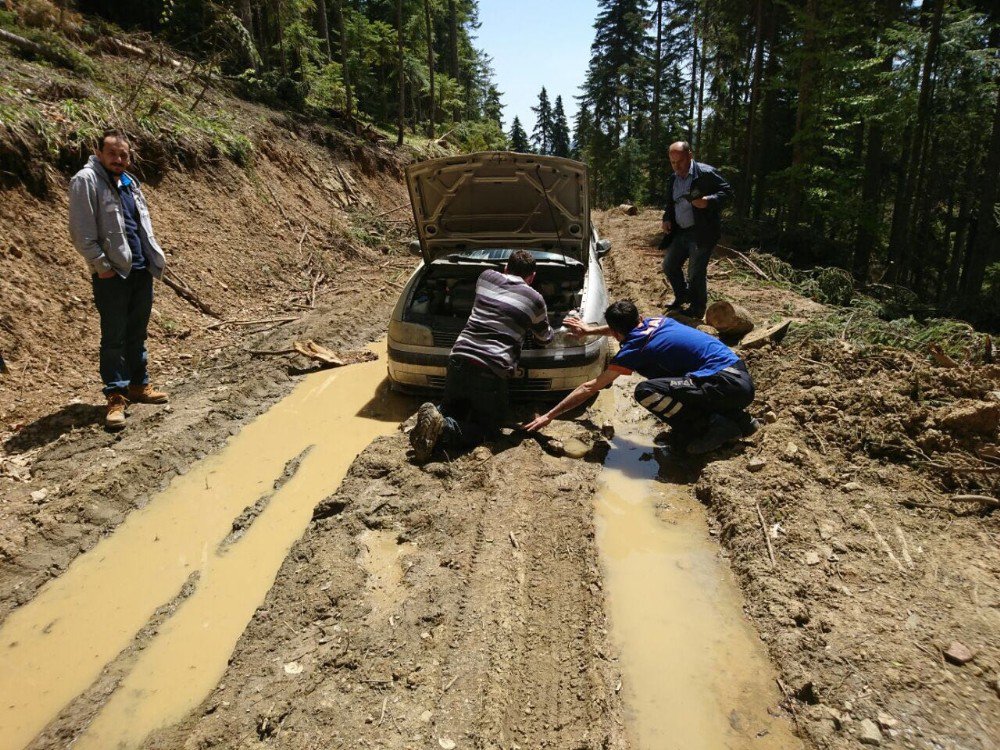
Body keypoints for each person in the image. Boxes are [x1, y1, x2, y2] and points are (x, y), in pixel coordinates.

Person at [524, 300, 758, 455]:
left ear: (616, 332)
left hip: (725, 384)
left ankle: (710, 427)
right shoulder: (657, 321)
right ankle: (737, 419)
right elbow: (624, 330)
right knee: (665, 375)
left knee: (646, 390)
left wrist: (549, 415)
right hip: (737, 376)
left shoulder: (633, 350)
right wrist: (590, 330)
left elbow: (591, 387)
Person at [409, 249, 553, 461]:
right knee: (490, 431)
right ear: (531, 277)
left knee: (452, 408)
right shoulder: (536, 299)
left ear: (505, 268)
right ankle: (443, 429)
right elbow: (545, 339)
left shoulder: (486, 277)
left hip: (458, 356)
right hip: (491, 369)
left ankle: (434, 419)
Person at [69, 129, 169, 430]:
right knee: (114, 336)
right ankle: (116, 395)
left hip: (139, 270)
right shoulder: (86, 181)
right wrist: (101, 266)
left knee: (137, 331)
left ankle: (139, 385)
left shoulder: (129, 183)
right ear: (99, 153)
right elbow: (81, 231)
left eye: (124, 154)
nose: (119, 159)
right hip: (112, 274)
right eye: (113, 153)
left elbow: (140, 226)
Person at [660, 141, 733, 319]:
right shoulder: (673, 178)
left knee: (695, 273)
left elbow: (728, 193)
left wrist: (708, 201)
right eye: (672, 163)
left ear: (690, 156)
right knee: (669, 265)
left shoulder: (706, 173)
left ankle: (697, 308)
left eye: (680, 162)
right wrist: (667, 218)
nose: (676, 166)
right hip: (681, 231)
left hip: (702, 232)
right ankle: (682, 296)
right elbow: (671, 202)